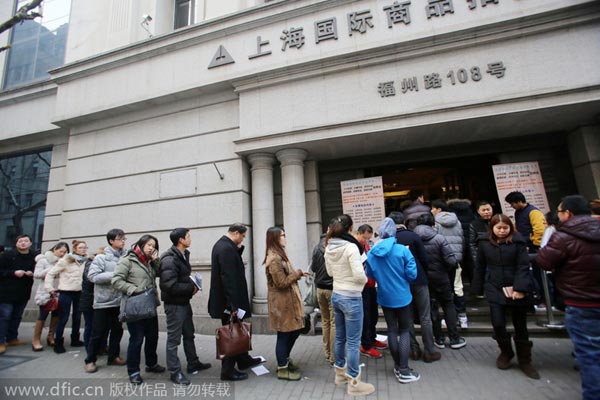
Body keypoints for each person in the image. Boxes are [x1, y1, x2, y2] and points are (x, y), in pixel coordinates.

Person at [537, 195, 600, 399]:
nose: (559, 215)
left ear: (568, 213)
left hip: (581, 302)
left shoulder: (564, 236)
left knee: (590, 356)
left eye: (560, 211)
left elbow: (544, 261)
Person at [472, 214, 540, 379]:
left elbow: (523, 266)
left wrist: (520, 288)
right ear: (492, 228)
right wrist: (477, 287)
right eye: (498, 228)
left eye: (505, 228)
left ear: (510, 228)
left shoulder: (518, 242)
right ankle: (506, 352)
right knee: (498, 322)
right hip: (494, 286)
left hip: (516, 285)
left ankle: (525, 359)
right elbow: (480, 266)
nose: (502, 231)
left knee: (520, 324)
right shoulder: (484, 243)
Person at [324, 214, 375, 396]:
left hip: (337, 295)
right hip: (352, 297)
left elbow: (330, 272)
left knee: (340, 338)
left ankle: (339, 374)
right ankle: (354, 382)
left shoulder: (329, 246)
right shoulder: (351, 247)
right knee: (353, 342)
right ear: (349, 229)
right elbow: (360, 275)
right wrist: (362, 283)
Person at [367, 218, 419, 383]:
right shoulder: (402, 250)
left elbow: (370, 275)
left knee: (391, 330)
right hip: (403, 296)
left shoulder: (372, 253)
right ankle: (403, 369)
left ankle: (397, 365)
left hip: (384, 295)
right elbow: (412, 275)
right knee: (404, 330)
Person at [208, 223, 262, 381]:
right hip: (229, 303)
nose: (243, 239)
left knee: (237, 329)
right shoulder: (225, 248)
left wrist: (238, 249)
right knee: (230, 334)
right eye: (243, 236)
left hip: (230, 301)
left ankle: (243, 359)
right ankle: (227, 370)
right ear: (237, 233)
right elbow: (228, 279)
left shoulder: (225, 246)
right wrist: (233, 305)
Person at [160, 228, 211, 385]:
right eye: (188, 236)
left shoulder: (183, 255)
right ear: (180, 240)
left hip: (183, 302)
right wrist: (191, 288)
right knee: (173, 339)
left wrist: (192, 283)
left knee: (189, 334)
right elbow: (168, 285)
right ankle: (175, 372)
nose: (190, 239)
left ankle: (193, 362)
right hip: (174, 305)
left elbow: (181, 277)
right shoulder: (169, 259)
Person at [112, 234, 165, 385]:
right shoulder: (128, 260)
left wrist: (156, 261)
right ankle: (133, 371)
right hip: (135, 306)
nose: (151, 248)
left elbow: (160, 274)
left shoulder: (149, 262)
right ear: (141, 245)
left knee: (152, 336)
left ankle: (151, 363)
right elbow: (116, 281)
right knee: (137, 339)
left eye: (154, 246)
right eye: (149, 245)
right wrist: (134, 289)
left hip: (149, 305)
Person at [389, 211, 440, 363]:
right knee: (425, 316)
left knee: (407, 317)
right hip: (419, 280)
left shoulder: (390, 239)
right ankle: (430, 350)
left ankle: (414, 349)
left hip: (400, 282)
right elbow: (424, 259)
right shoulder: (413, 236)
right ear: (403, 221)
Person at [414, 213, 466, 350]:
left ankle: (439, 338)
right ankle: (454, 338)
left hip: (424, 279)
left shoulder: (414, 239)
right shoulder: (439, 238)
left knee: (432, 307)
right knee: (448, 304)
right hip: (441, 277)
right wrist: (446, 269)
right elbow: (451, 260)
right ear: (432, 223)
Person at [264, 227, 308, 380]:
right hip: (281, 304)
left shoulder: (280, 255)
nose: (285, 237)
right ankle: (282, 367)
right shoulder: (274, 258)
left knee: (294, 331)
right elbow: (281, 283)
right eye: (283, 235)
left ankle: (285, 359)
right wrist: (297, 274)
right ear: (276, 238)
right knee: (284, 334)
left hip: (288, 301)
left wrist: (298, 274)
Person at [85, 229, 127, 372]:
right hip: (103, 301)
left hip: (120, 300)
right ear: (111, 241)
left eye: (124, 238)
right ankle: (90, 360)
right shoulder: (101, 258)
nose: (123, 241)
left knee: (117, 330)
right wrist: (115, 275)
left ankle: (114, 356)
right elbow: (93, 276)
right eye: (120, 238)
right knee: (98, 333)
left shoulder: (126, 257)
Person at [44, 239, 86, 354]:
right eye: (80, 248)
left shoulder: (85, 261)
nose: (83, 250)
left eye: (85, 247)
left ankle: (75, 339)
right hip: (66, 292)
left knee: (77, 317)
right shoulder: (65, 260)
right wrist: (50, 288)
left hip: (80, 292)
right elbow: (51, 273)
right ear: (75, 249)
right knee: (63, 317)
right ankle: (58, 343)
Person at [431, 200, 468, 329]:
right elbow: (462, 239)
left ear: (439, 210)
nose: (431, 211)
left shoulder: (435, 222)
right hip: (456, 259)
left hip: (442, 261)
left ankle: (450, 318)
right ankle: (462, 317)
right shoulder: (457, 221)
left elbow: (435, 241)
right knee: (458, 287)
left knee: (446, 290)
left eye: (433, 208)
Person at [0, 234, 36, 354]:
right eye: (20, 241)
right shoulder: (6, 255)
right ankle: (1, 341)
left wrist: (33, 273)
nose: (23, 243)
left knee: (17, 316)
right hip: (7, 292)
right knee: (5, 316)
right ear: (16, 243)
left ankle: (12, 338)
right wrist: (13, 273)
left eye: (26, 241)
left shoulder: (34, 256)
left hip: (23, 291)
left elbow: (40, 270)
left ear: (30, 243)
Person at [355, 224, 386, 359]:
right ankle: (366, 345)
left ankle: (372, 338)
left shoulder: (366, 245)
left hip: (371, 284)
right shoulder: (355, 246)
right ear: (359, 233)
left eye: (368, 238)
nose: (366, 240)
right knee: (366, 317)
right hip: (362, 287)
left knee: (372, 315)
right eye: (364, 238)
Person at [32, 242, 69, 351]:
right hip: (46, 291)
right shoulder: (44, 260)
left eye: (65, 252)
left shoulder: (65, 261)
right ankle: (36, 339)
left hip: (60, 290)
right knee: (43, 315)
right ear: (54, 249)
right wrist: (51, 269)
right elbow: (37, 274)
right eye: (60, 251)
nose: (62, 254)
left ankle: (51, 336)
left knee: (56, 315)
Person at [309, 231, 335, 365]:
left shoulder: (316, 248)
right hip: (332, 289)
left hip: (320, 289)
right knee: (334, 322)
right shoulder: (333, 247)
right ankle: (333, 356)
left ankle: (326, 352)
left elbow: (313, 268)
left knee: (325, 321)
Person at [468, 201, 494, 290]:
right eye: (483, 210)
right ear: (478, 212)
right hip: (483, 255)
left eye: (488, 209)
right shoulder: (474, 224)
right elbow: (472, 243)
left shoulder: (497, 221)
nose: (486, 212)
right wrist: (476, 258)